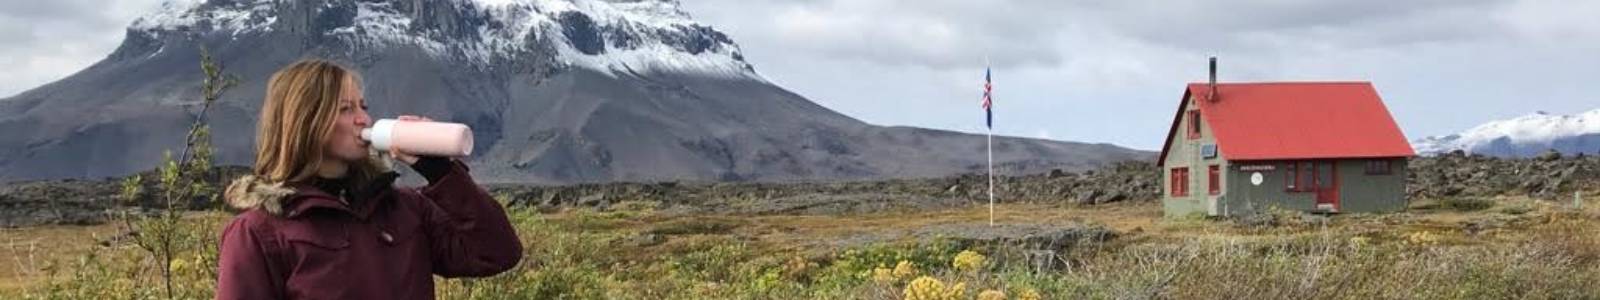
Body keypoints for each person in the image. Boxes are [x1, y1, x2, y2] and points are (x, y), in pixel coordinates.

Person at [216, 59, 522, 299]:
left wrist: (441, 172)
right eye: (346, 109)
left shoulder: (404, 209)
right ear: (304, 123)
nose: (364, 119)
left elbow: (498, 253)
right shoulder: (260, 233)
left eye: (363, 106)